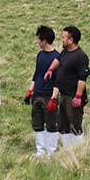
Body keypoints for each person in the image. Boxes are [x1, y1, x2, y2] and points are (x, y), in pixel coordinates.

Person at [48, 25, 90, 148]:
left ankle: (78, 150)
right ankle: (67, 150)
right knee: (63, 125)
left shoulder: (81, 56)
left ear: (71, 40)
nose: (62, 40)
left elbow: (82, 79)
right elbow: (58, 59)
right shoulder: (65, 52)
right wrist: (50, 69)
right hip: (63, 95)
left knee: (75, 125)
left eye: (64, 38)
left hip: (73, 97)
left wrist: (78, 96)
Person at [25, 25, 60, 155]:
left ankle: (51, 151)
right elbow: (37, 74)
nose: (37, 42)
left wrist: (54, 98)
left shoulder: (57, 57)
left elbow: (58, 80)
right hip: (37, 94)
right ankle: (40, 150)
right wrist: (30, 90)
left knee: (51, 124)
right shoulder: (40, 55)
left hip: (49, 95)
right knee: (37, 123)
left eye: (38, 39)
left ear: (44, 40)